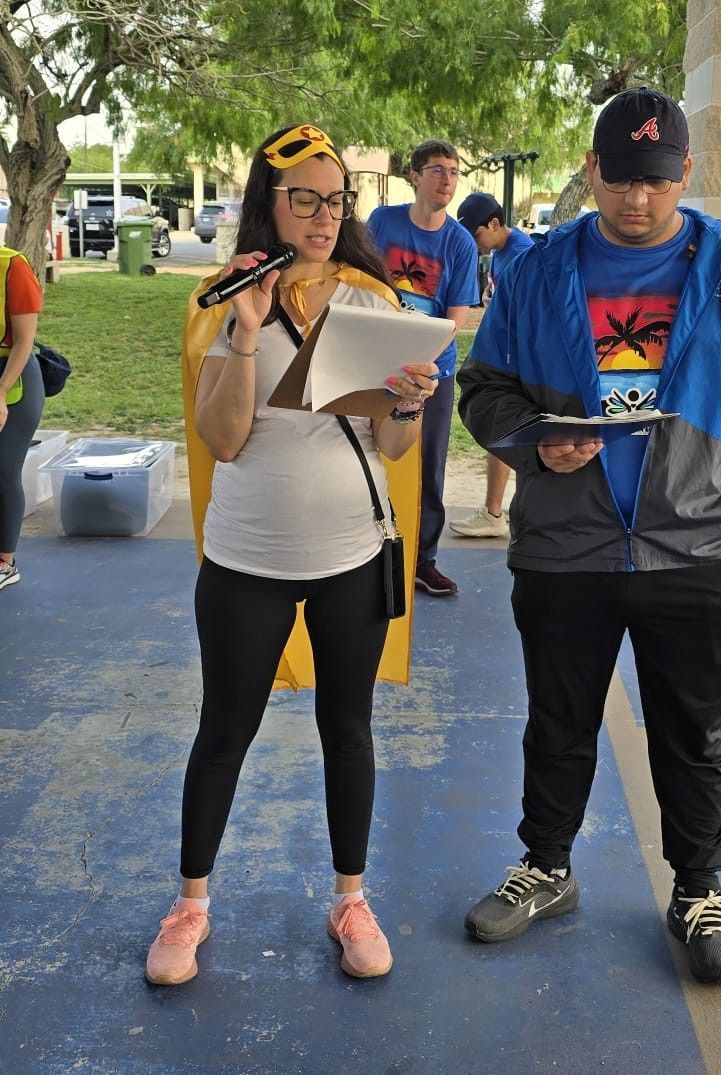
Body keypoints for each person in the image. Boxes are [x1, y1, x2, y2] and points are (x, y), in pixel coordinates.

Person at [457, 88, 721, 985]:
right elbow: (484, 388)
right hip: (566, 549)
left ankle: (698, 888)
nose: (636, 200)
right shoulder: (536, 273)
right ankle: (548, 865)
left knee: (692, 732)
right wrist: (536, 444)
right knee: (558, 720)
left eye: (656, 181)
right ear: (592, 171)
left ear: (684, 173)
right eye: (620, 179)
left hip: (704, 552)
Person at [148, 123, 438, 987]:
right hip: (244, 558)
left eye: (336, 199)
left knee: (347, 730)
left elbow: (388, 444)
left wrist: (410, 400)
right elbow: (225, 440)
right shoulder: (222, 295)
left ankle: (351, 897)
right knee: (224, 730)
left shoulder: (369, 299)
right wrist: (245, 332)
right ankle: (191, 904)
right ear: (267, 204)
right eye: (303, 198)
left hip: (351, 551)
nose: (323, 215)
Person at [368, 140, 480, 596]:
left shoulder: (460, 242)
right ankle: (369, 552)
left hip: (432, 372)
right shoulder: (382, 223)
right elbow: (362, 282)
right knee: (367, 453)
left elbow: (456, 317)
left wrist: (422, 356)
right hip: (375, 361)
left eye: (454, 172)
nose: (447, 180)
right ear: (414, 176)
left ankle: (422, 559)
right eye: (437, 170)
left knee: (429, 466)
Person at [449, 193, 533, 540]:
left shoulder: (523, 254)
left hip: (521, 361)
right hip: (508, 356)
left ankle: (503, 513)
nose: (473, 243)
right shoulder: (500, 252)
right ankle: (494, 511)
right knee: (502, 431)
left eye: (476, 235)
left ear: (495, 224)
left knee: (517, 435)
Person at [0, 244, 44, 592]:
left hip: (12, 379)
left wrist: (0, 393)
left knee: (3, 470)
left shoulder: (12, 266)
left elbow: (24, 340)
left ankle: (5, 561)